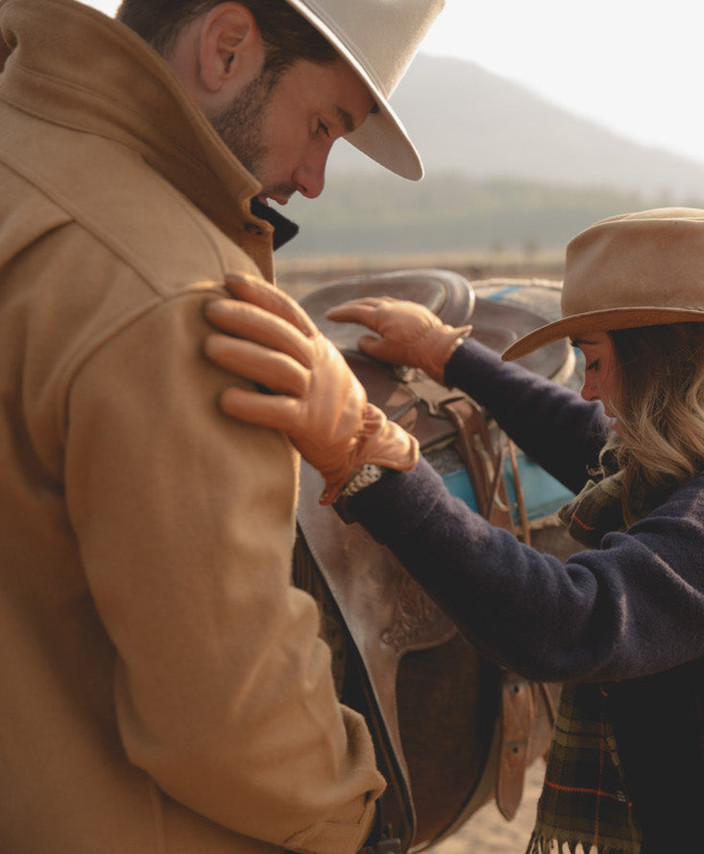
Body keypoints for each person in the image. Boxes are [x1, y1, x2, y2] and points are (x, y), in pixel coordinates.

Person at [203, 207, 704, 852]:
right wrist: (449, 356)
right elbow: (586, 440)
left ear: (666, 365)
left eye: (595, 363)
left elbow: (568, 622)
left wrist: (376, 462)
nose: (589, 390)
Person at [0, 0, 444, 851]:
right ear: (229, 45)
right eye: (321, 125)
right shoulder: (185, 301)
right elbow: (230, 713)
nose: (314, 177)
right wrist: (356, 816)